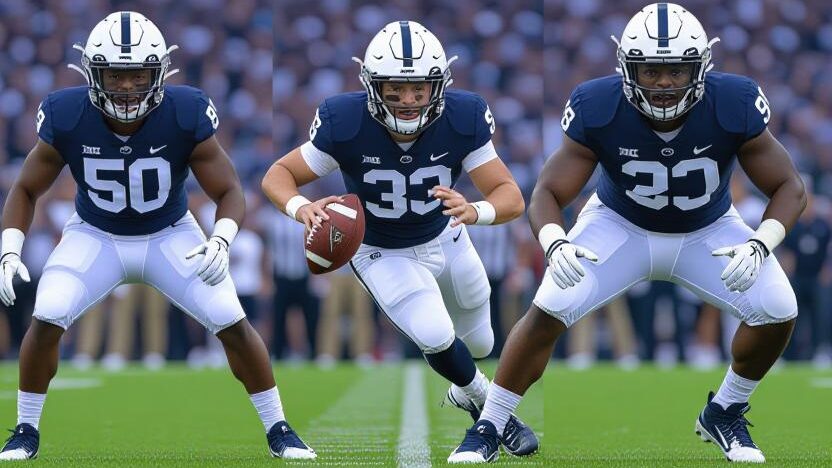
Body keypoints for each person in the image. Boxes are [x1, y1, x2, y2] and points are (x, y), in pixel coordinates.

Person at [448, 3, 806, 464]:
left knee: (779, 308)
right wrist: (555, 242)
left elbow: (789, 187)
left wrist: (761, 242)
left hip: (708, 228)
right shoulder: (598, 106)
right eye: (649, 71)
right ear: (625, 68)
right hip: (619, 226)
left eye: (676, 71)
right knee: (551, 303)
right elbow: (547, 193)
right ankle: (489, 425)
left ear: (700, 68)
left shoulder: (733, 102)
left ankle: (726, 409)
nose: (662, 83)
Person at [0, 12, 314, 460]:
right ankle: (25, 431)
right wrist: (9, 250)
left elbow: (228, 190)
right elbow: (26, 188)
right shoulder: (66, 113)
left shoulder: (185, 111)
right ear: (92, 73)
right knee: (47, 314)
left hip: (171, 234)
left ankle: (279, 427)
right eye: (115, 75)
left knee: (230, 319)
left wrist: (221, 238)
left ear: (160, 73)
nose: (127, 87)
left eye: (137, 75)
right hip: (95, 234)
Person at [262, 20, 537, 456]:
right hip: (379, 249)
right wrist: (302, 208)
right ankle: (492, 413)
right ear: (373, 86)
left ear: (438, 86)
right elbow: (279, 174)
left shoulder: (463, 117)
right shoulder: (345, 120)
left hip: (445, 234)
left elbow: (511, 197)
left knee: (482, 343)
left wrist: (474, 210)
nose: (408, 100)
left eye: (418, 88)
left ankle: (468, 389)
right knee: (434, 333)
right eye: (395, 88)